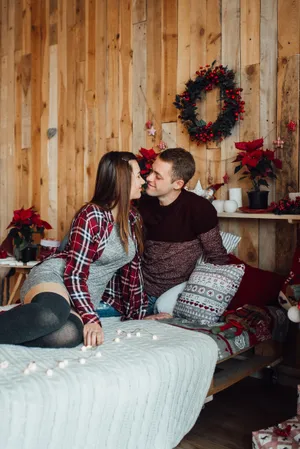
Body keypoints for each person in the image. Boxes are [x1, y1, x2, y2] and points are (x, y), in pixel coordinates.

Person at [0, 151, 148, 348]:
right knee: (51, 315)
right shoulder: (91, 215)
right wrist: (91, 318)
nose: (143, 181)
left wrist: (138, 317)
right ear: (122, 179)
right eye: (138, 175)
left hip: (84, 296)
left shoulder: (133, 219)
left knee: (69, 334)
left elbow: (133, 274)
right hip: (57, 277)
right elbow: (74, 274)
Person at [138, 147, 228, 310]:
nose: (149, 178)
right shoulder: (143, 203)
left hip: (176, 298)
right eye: (151, 171)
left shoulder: (199, 209)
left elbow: (218, 258)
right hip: (140, 293)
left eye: (157, 176)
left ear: (178, 184)